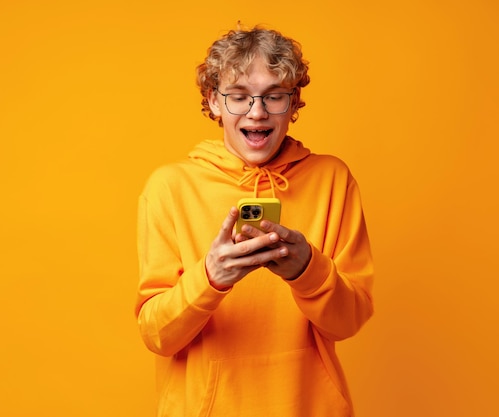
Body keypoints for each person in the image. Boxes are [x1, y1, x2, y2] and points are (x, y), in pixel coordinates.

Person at [135, 25, 374, 417]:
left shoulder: (332, 180)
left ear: (293, 102)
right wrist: (210, 278)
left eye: (273, 96)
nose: (257, 112)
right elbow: (157, 335)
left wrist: (307, 270)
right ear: (214, 102)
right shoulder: (169, 188)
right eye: (239, 97)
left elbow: (347, 323)